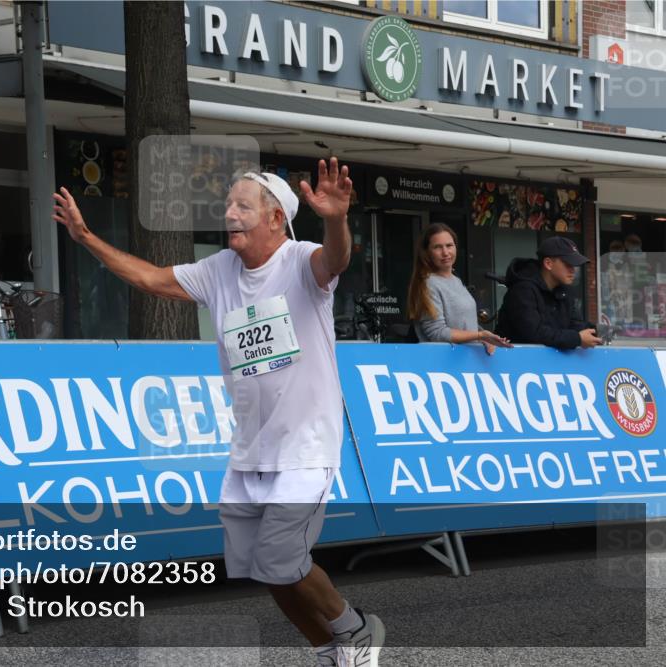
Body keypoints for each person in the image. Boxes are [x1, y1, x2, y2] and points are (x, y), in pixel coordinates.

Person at [53, 158, 384, 667]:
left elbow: (336, 261)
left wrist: (337, 218)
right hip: (251, 450)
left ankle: (355, 629)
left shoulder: (301, 261)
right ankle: (327, 650)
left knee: (280, 560)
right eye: (228, 204)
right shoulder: (219, 270)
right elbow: (150, 279)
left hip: (305, 447)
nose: (229, 213)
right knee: (260, 567)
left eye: (242, 206)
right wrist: (86, 237)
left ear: (276, 218)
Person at [406, 223, 511, 354]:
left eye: (449, 245)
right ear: (427, 253)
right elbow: (437, 333)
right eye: (437, 247)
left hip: (465, 362)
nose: (445, 252)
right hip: (442, 364)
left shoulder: (456, 280)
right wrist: (480, 336)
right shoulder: (428, 283)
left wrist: (484, 338)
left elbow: (465, 325)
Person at [496, 236, 602, 349]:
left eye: (574, 265)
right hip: (513, 363)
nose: (573, 270)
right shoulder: (522, 290)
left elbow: (574, 323)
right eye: (568, 264)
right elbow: (534, 334)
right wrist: (577, 338)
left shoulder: (564, 290)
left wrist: (595, 331)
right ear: (548, 263)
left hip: (546, 364)